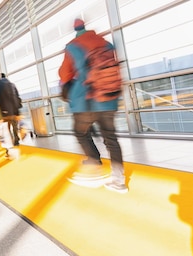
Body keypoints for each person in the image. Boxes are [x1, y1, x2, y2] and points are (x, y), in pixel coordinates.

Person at [58, 18, 128, 193]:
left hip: (86, 100)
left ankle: (94, 161)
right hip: (109, 97)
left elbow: (65, 74)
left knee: (80, 132)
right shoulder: (106, 43)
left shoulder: (73, 46)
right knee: (111, 139)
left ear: (75, 30)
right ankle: (119, 181)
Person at [0, 70, 22, 147]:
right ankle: (16, 139)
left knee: (5, 130)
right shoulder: (12, 85)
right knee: (14, 126)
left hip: (2, 113)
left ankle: (9, 145)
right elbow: (17, 97)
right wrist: (17, 111)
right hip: (14, 111)